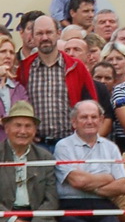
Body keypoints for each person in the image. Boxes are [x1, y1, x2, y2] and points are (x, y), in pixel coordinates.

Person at [0, 101, 74, 222]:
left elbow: (51, 198)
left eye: (28, 126)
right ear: (6, 128)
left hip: (37, 215)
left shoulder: (45, 157)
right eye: (18, 125)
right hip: (4, 216)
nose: (23, 131)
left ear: (35, 130)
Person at [18, 17, 98, 150]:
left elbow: (91, 103)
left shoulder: (76, 67)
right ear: (32, 36)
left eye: (49, 32)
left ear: (58, 33)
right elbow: (19, 104)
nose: (44, 37)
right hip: (36, 145)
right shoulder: (24, 68)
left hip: (70, 144)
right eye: (39, 33)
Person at [0, 37, 29, 125]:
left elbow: (25, 114)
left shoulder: (19, 89)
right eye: (3, 51)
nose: (8, 56)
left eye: (11, 52)